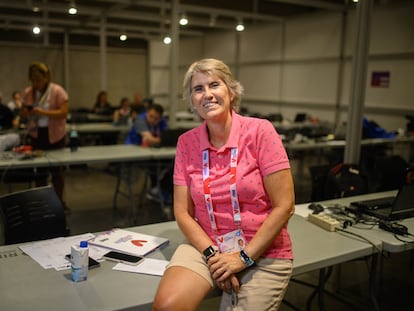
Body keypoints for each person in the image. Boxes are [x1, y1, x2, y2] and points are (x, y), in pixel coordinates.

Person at [152, 58, 295, 311]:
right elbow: (182, 212)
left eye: (214, 85)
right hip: (208, 243)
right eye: (198, 89)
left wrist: (242, 258)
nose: (207, 94)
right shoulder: (187, 143)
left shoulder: (260, 132)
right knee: (166, 307)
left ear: (231, 91)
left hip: (262, 248)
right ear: (192, 100)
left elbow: (285, 206)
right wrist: (214, 257)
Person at [20, 62, 69, 205]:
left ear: (46, 77)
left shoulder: (58, 91)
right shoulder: (29, 92)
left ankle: (59, 204)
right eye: (32, 81)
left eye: (38, 80)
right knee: (40, 172)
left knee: (57, 173)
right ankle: (41, 204)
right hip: (37, 136)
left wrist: (43, 112)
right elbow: (22, 113)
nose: (35, 84)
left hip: (55, 136)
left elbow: (64, 113)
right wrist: (26, 112)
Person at [125, 103, 169, 202]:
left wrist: (161, 139)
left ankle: (161, 189)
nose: (153, 120)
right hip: (133, 151)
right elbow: (150, 139)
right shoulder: (140, 120)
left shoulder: (163, 121)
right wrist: (161, 140)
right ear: (147, 113)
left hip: (152, 151)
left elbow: (167, 135)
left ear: (161, 118)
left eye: (156, 118)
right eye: (151, 116)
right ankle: (155, 189)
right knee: (155, 165)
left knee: (173, 163)